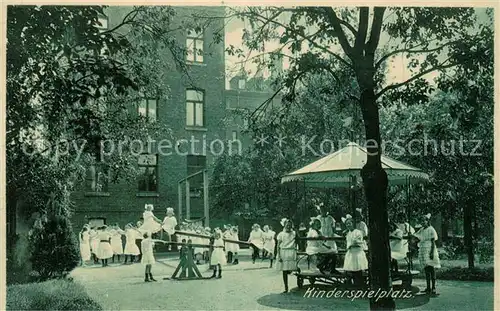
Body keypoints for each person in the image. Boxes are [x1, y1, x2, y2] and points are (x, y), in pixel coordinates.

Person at [413, 213, 441, 295]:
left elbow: (433, 242)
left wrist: (432, 252)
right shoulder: (422, 230)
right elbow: (416, 236)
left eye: (423, 221)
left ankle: (433, 288)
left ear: (427, 221)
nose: (422, 222)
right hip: (423, 249)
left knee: (431, 269)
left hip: (429, 249)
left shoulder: (431, 229)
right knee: (426, 269)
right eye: (421, 221)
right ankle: (428, 287)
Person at [343, 215, 368, 287]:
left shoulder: (358, 232)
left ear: (353, 224)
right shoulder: (348, 233)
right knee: (350, 270)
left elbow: (358, 242)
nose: (348, 225)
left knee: (358, 270)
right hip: (351, 253)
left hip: (357, 253)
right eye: (347, 224)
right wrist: (351, 244)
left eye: (349, 223)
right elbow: (349, 243)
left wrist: (352, 244)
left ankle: (359, 285)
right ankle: (353, 286)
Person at [276, 218, 297, 293]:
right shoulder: (281, 234)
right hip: (283, 252)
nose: (288, 227)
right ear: (284, 225)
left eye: (290, 225)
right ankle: (286, 287)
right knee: (284, 271)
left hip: (291, 252)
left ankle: (290, 271)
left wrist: (296, 250)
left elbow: (297, 242)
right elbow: (278, 246)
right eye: (287, 225)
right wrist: (279, 256)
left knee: (292, 269)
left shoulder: (294, 233)